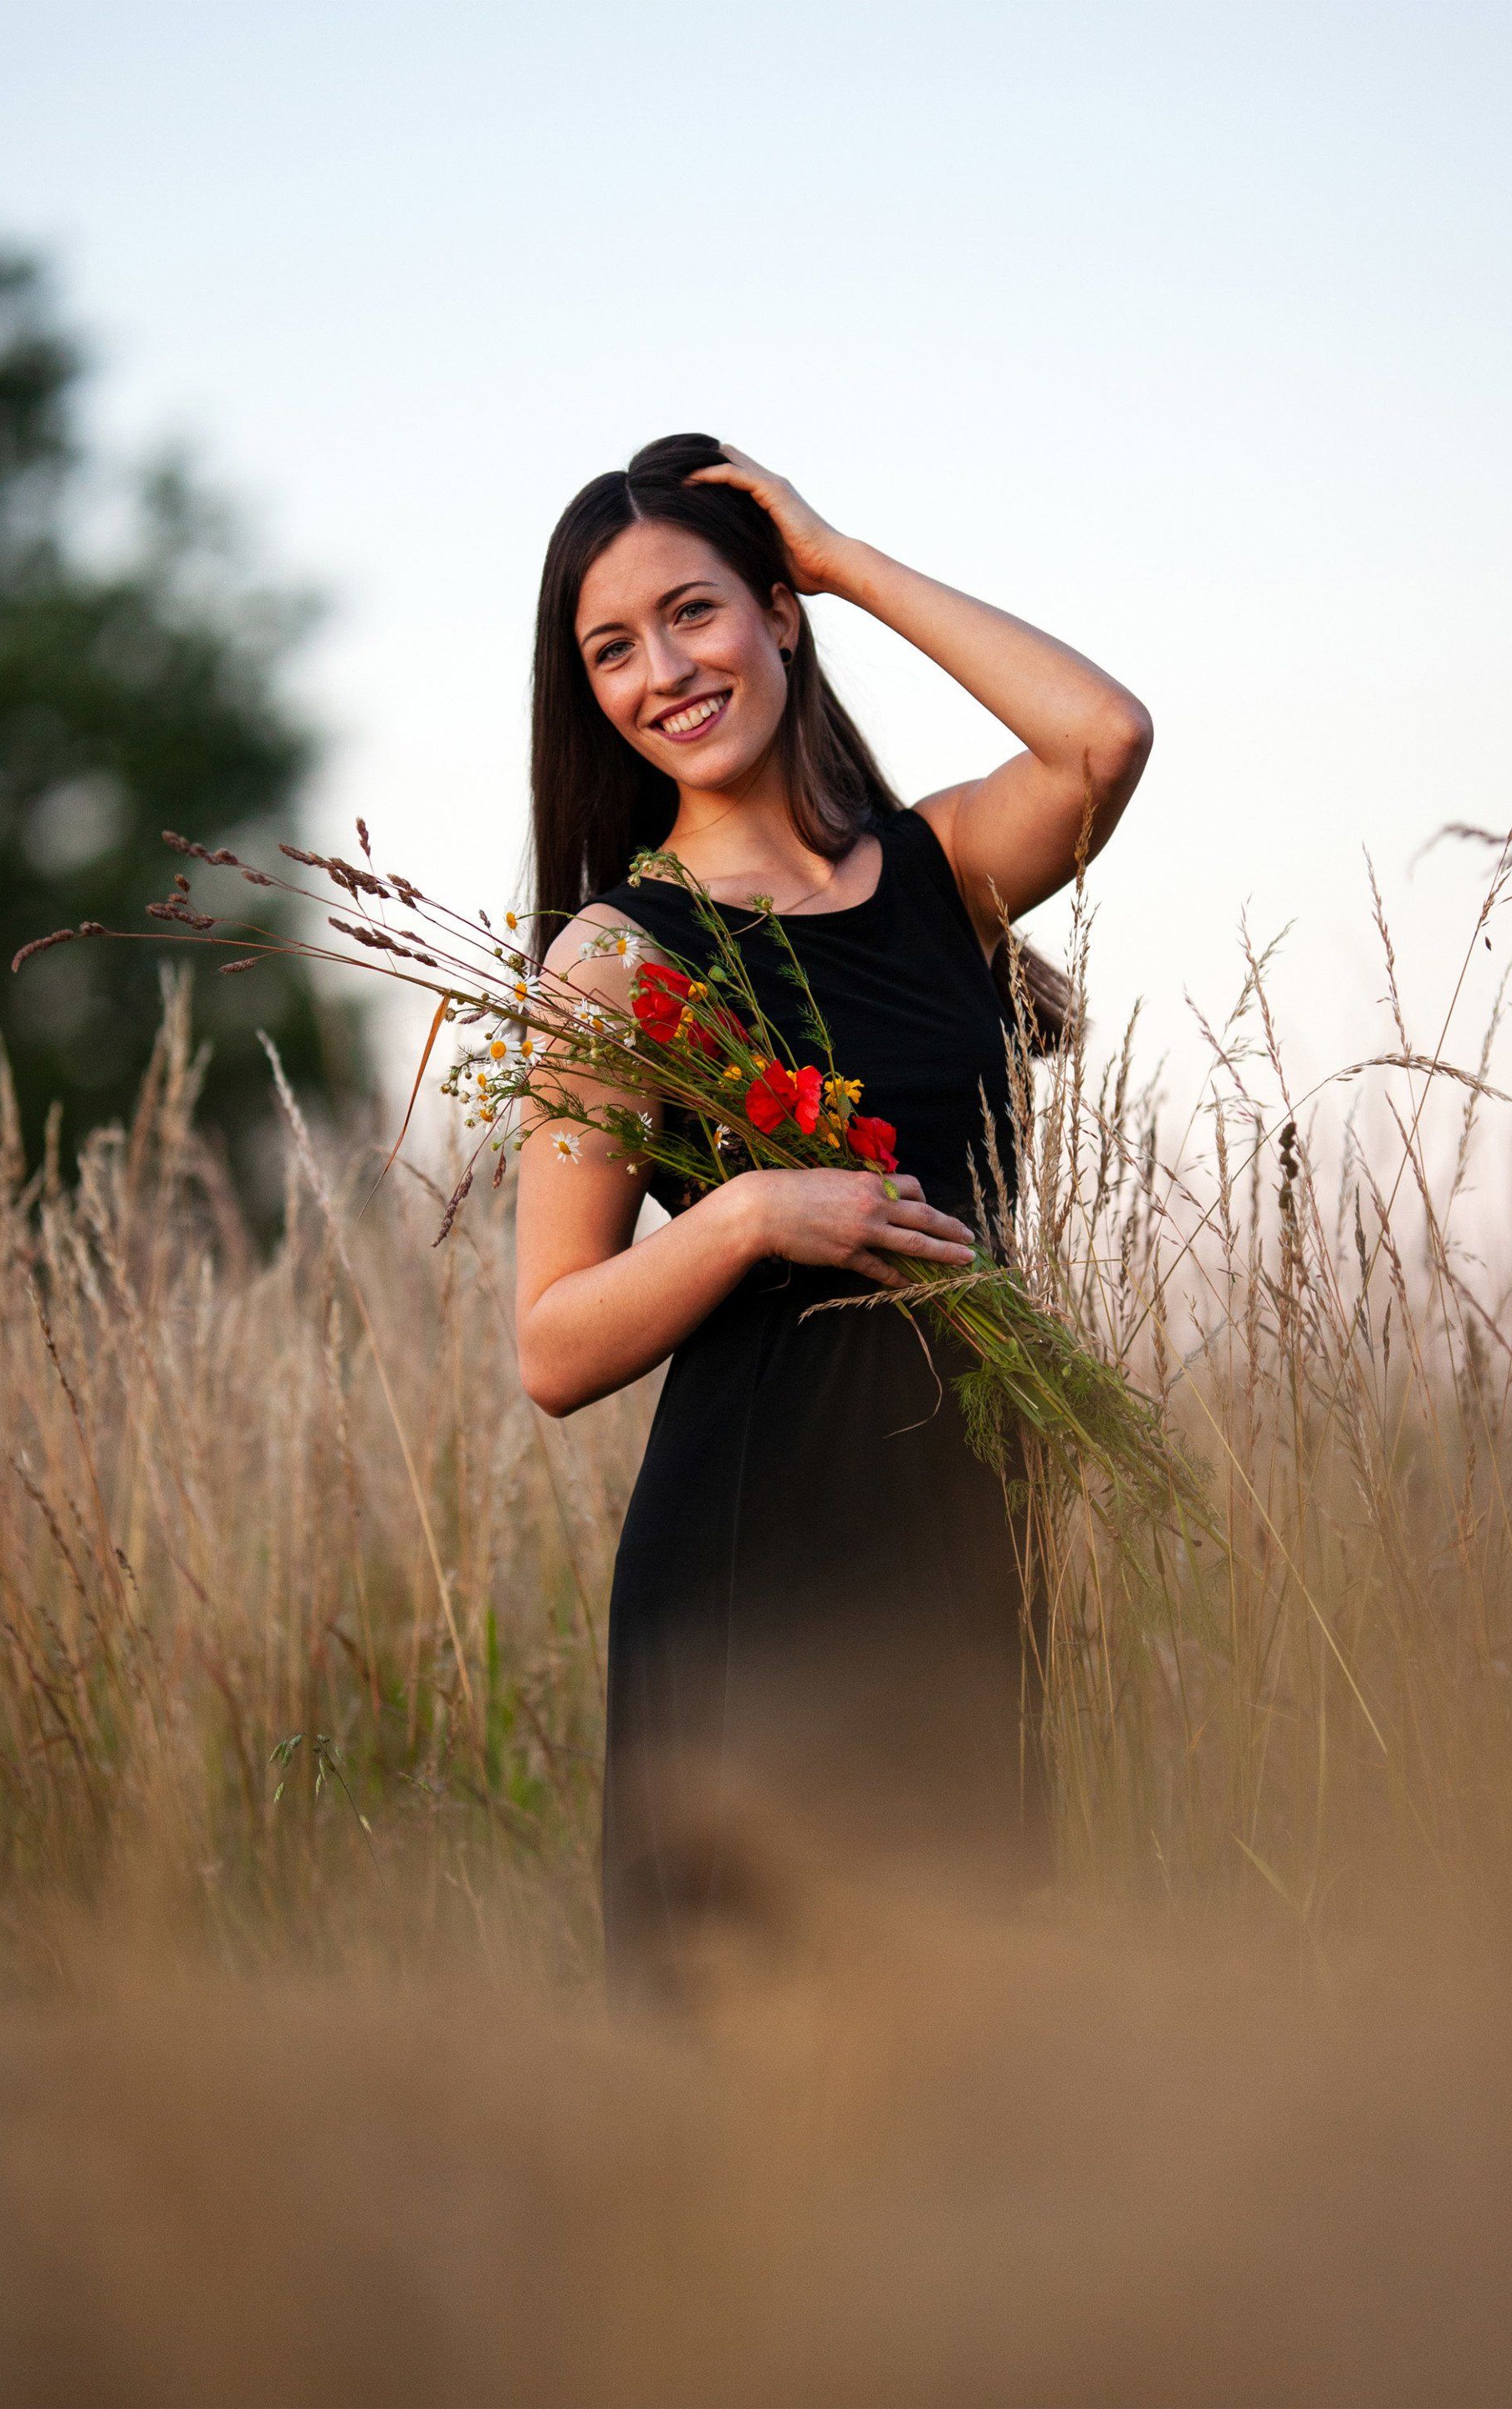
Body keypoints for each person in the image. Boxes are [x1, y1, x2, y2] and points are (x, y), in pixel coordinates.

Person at [514, 434, 1152, 1992]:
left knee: (967, 2045)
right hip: (750, 1552)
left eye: (697, 612)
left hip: (955, 1525)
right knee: (746, 2066)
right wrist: (743, 1220)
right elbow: (551, 1344)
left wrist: (838, 552)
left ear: (777, 617)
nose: (665, 669)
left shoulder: (944, 872)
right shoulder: (618, 958)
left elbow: (1105, 737)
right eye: (613, 648)